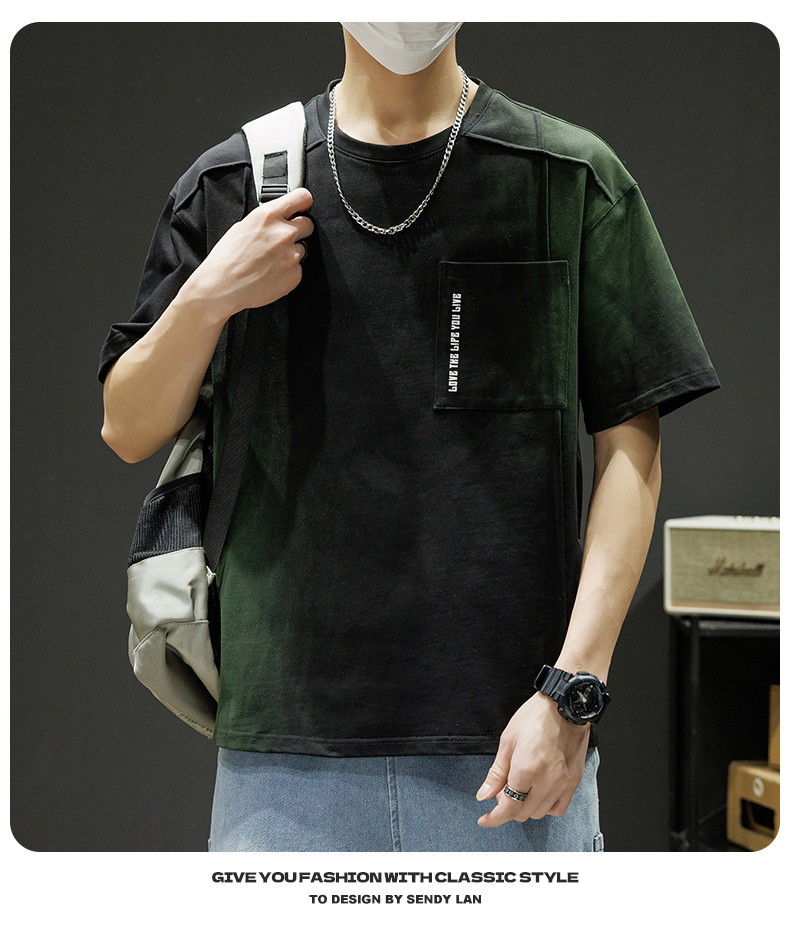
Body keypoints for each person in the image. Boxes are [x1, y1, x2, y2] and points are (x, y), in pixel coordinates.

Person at [98, 22, 720, 851]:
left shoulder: (565, 176)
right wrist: (208, 295)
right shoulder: (235, 183)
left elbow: (630, 450)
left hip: (513, 749)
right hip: (283, 767)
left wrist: (573, 691)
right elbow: (127, 425)